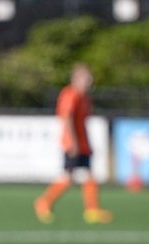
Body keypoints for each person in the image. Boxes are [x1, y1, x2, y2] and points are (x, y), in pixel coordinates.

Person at [34, 63, 113, 224]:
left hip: (82, 143)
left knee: (88, 175)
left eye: (90, 79)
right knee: (69, 176)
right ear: (76, 79)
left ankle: (92, 210)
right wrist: (73, 142)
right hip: (73, 143)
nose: (89, 82)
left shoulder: (85, 98)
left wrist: (86, 143)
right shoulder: (70, 94)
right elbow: (67, 118)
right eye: (86, 78)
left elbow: (82, 123)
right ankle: (44, 202)